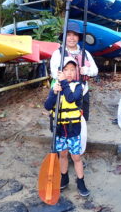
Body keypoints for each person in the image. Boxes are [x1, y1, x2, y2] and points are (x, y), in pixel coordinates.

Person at [44, 56, 90, 197]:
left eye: (72, 70)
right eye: (66, 70)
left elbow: (71, 98)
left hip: (73, 129)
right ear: (60, 71)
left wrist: (63, 82)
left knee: (76, 157)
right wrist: (54, 92)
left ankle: (80, 181)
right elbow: (47, 106)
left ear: (76, 71)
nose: (69, 72)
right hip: (60, 129)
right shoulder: (56, 86)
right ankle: (64, 178)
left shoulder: (79, 86)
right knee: (62, 155)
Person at [50, 21, 98, 121]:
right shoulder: (58, 53)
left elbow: (95, 71)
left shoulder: (85, 53)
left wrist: (87, 70)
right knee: (64, 119)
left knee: (82, 119)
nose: (72, 38)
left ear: (78, 37)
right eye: (68, 35)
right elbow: (54, 73)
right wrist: (66, 77)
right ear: (64, 37)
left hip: (82, 90)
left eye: (75, 35)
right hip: (64, 91)